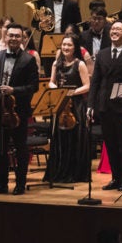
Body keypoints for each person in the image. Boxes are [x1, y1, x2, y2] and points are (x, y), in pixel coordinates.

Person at [0, 22, 40, 195]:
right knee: (0, 149)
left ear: (22, 38)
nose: (14, 38)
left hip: (18, 112)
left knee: (20, 149)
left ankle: (20, 184)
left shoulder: (28, 60)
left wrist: (14, 90)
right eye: (11, 35)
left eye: (17, 36)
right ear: (6, 36)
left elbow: (34, 87)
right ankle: (2, 184)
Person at [88, 19, 122, 191]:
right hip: (104, 106)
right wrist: (90, 104)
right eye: (112, 28)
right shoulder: (102, 54)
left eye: (118, 29)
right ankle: (115, 178)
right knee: (110, 144)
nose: (114, 31)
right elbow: (95, 81)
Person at [44, 34, 91, 184]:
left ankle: (74, 173)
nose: (66, 47)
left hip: (76, 105)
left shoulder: (80, 64)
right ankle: (59, 171)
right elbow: (51, 82)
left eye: (69, 45)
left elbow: (87, 86)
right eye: (64, 44)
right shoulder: (56, 63)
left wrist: (71, 92)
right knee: (60, 139)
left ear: (75, 47)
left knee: (75, 139)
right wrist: (56, 89)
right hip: (60, 104)